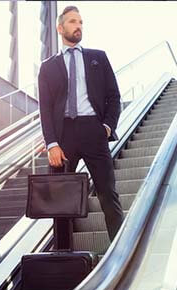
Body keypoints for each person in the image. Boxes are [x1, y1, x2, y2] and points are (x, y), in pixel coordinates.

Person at [38, 6, 123, 241]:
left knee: (108, 194)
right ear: (60, 27)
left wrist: (106, 127)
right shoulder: (48, 67)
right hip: (63, 136)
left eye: (81, 22)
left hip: (93, 131)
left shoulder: (98, 57)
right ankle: (62, 257)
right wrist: (51, 143)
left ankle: (119, 250)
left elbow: (114, 96)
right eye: (73, 21)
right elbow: (44, 108)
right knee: (61, 200)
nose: (78, 26)